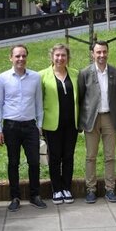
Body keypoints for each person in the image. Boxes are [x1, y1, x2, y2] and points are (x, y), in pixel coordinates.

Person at [0, 44, 45, 211]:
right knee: (13, 163)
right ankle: (14, 197)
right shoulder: (2, 78)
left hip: (30, 126)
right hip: (11, 126)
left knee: (34, 162)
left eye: (23, 56)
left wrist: (39, 125)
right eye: (17, 56)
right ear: (11, 58)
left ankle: (35, 195)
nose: (21, 59)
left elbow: (39, 103)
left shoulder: (36, 77)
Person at [78, 40, 116, 204]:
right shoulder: (84, 73)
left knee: (110, 156)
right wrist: (80, 122)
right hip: (92, 119)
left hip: (110, 118)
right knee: (91, 156)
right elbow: (81, 98)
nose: (102, 55)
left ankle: (110, 189)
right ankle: (91, 189)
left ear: (108, 52)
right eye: (98, 52)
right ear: (92, 54)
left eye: (104, 52)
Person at [40, 44, 79, 204]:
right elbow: (39, 101)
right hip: (51, 124)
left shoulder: (76, 74)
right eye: (57, 55)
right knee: (55, 157)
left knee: (68, 156)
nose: (60, 58)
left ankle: (66, 188)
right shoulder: (42, 76)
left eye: (63, 55)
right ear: (52, 56)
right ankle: (56, 189)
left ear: (67, 57)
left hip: (72, 124)